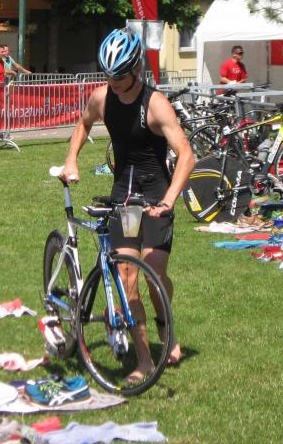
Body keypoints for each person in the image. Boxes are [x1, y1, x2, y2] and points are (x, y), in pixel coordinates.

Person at [60, 27, 194, 378]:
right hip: (125, 199)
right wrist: (71, 160)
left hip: (156, 196)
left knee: (154, 272)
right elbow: (82, 124)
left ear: (136, 69)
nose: (113, 83)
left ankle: (166, 327)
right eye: (109, 76)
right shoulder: (101, 98)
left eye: (119, 76)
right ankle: (144, 360)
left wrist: (169, 200)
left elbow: (186, 155)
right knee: (126, 275)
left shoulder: (155, 103)